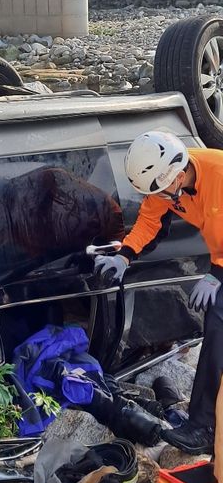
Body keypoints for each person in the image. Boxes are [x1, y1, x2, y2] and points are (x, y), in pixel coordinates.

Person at [93, 128, 223, 454]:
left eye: (163, 191)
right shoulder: (167, 187)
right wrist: (125, 255)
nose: (161, 198)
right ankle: (205, 425)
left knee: (218, 322)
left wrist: (217, 275)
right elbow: (150, 222)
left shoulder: (219, 176)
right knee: (217, 326)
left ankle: (204, 427)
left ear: (178, 176)